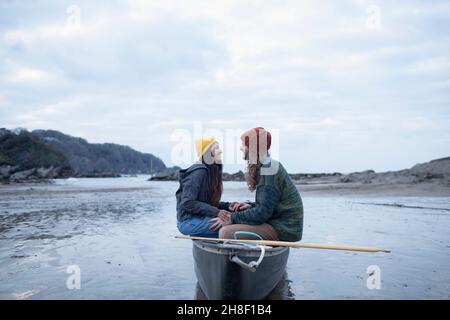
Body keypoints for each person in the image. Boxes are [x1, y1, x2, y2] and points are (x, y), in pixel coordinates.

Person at [209, 127, 304, 242]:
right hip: (277, 222)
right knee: (233, 221)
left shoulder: (269, 169)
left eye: (244, 145)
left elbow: (262, 214)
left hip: (284, 229)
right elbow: (269, 205)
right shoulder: (266, 166)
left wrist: (231, 218)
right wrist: (251, 206)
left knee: (225, 232)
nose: (241, 148)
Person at [176, 137, 247, 237]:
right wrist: (217, 212)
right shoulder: (198, 172)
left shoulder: (210, 171)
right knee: (230, 227)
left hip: (200, 216)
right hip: (187, 221)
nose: (220, 151)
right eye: (217, 148)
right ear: (208, 152)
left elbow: (205, 203)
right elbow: (188, 202)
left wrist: (227, 206)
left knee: (234, 222)